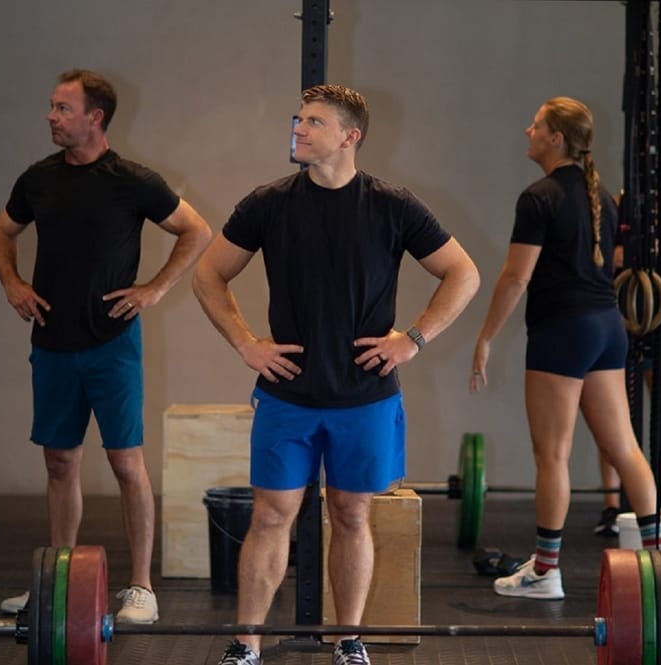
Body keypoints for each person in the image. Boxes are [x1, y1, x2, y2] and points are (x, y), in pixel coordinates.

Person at [193, 83, 479, 665]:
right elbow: (208, 275)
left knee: (351, 515)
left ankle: (349, 642)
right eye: (298, 119)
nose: (298, 129)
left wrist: (412, 339)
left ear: (351, 136)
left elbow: (463, 273)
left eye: (314, 122)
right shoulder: (268, 203)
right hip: (288, 396)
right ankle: (245, 645)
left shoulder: (393, 206)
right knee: (271, 517)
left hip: (364, 397)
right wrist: (246, 343)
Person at [0, 69, 213, 623]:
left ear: (96, 118)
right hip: (53, 342)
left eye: (63, 108)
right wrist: (12, 283)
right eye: (52, 106)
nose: (51, 116)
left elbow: (197, 230)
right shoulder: (38, 179)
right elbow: (0, 233)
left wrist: (155, 288)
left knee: (126, 462)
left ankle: (141, 587)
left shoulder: (132, 180)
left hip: (112, 343)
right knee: (60, 461)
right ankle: (56, 582)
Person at [469, 97, 659, 600]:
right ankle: (660, 569)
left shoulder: (539, 197)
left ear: (555, 138)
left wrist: (485, 337)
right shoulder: (603, 199)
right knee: (625, 448)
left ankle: (546, 572)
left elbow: (515, 277)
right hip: (607, 329)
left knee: (552, 454)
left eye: (536, 125)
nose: (527, 131)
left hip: (564, 332)